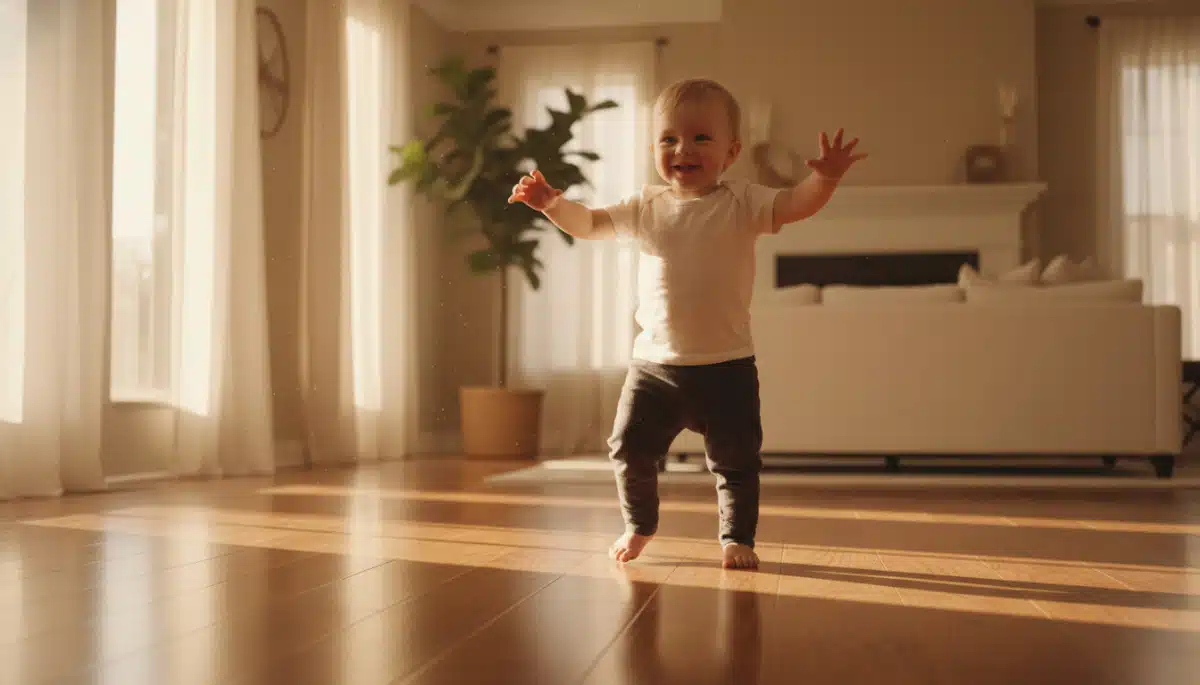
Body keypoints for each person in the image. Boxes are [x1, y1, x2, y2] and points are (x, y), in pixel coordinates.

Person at [507, 78, 866, 570]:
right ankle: (639, 525)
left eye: (701, 138)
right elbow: (588, 224)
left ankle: (737, 537)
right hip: (654, 367)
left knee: (736, 461)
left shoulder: (744, 201)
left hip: (728, 368)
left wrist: (824, 179)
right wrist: (552, 204)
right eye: (669, 139)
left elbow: (795, 204)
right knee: (628, 449)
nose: (683, 149)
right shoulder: (644, 206)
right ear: (654, 147)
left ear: (732, 151)